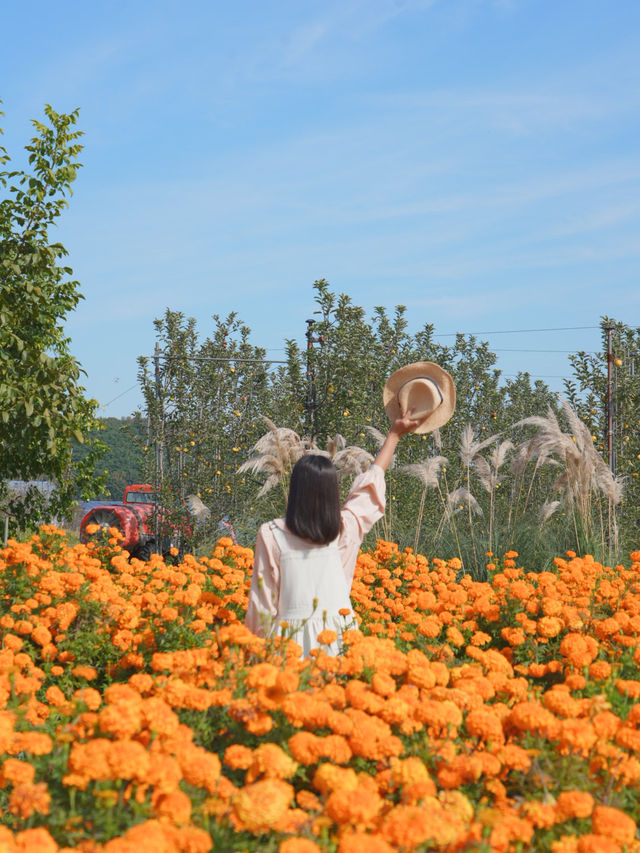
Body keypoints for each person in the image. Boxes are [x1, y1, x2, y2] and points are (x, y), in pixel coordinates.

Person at [244, 410, 421, 656]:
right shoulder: (346, 529)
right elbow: (371, 482)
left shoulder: (273, 533)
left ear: (295, 490)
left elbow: (262, 602)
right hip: (339, 638)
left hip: (289, 643)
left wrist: (252, 653)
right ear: (333, 492)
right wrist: (394, 434)